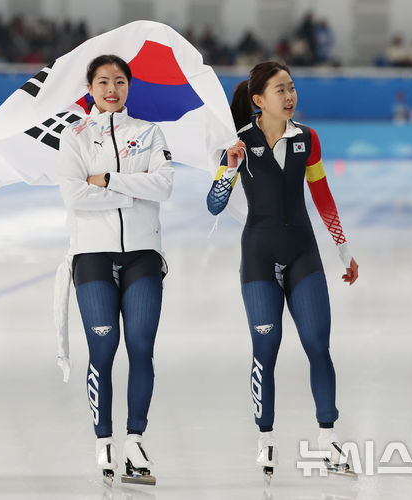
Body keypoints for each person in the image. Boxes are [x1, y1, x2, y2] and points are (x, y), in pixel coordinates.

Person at [206, 61, 359, 481]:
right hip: (259, 257)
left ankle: (328, 439)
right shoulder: (239, 142)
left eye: (292, 87)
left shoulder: (308, 139)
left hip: (303, 255)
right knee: (266, 349)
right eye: (280, 90)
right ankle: (266, 439)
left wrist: (343, 250)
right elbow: (215, 204)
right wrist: (229, 167)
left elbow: (322, 195)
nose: (289, 96)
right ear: (258, 100)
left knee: (317, 345)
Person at [57, 54, 174, 485]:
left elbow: (164, 185)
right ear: (90, 88)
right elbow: (73, 196)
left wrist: (107, 180)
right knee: (103, 350)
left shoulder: (148, 132)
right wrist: (131, 195)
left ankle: (134, 441)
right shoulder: (74, 135)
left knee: (141, 347)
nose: (112, 89)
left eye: (120, 81)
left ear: (129, 87)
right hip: (92, 256)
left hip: (143, 254)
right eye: (103, 81)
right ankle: (104, 440)